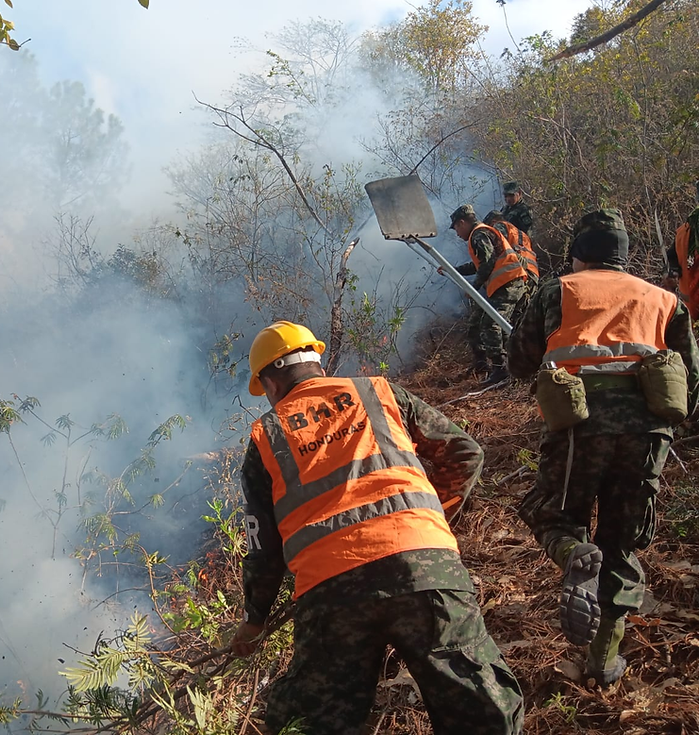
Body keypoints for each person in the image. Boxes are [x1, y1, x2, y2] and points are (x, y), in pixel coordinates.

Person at [232, 321, 524, 735]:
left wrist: (255, 617)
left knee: (314, 720)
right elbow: (465, 452)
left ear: (271, 381)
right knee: (480, 708)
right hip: (423, 565)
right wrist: (430, 520)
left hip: (332, 593)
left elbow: (263, 546)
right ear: (315, 362)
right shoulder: (378, 391)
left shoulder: (266, 435)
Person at [508, 210, 699, 685]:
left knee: (552, 515)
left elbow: (517, 361)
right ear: (624, 255)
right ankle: (603, 661)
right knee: (622, 540)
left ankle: (573, 551)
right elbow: (692, 380)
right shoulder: (665, 300)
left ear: (578, 253)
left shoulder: (559, 290)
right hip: (648, 434)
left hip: (579, 428)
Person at [451, 204, 528, 385]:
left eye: (456, 228)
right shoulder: (481, 233)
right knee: (488, 322)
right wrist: (455, 271)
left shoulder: (478, 234)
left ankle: (501, 369)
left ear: (462, 223)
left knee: (491, 323)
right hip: (506, 283)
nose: (457, 233)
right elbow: (479, 264)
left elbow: (487, 263)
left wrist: (474, 286)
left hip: (508, 283)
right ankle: (499, 365)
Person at [485, 210, 539, 328]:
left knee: (497, 322)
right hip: (533, 275)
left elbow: (494, 250)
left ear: (493, 222)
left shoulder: (499, 226)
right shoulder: (521, 234)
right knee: (522, 319)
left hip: (519, 273)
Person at [663, 180, 699, 320]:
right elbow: (672, 256)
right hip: (692, 308)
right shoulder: (686, 231)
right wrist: (672, 271)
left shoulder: (687, 229)